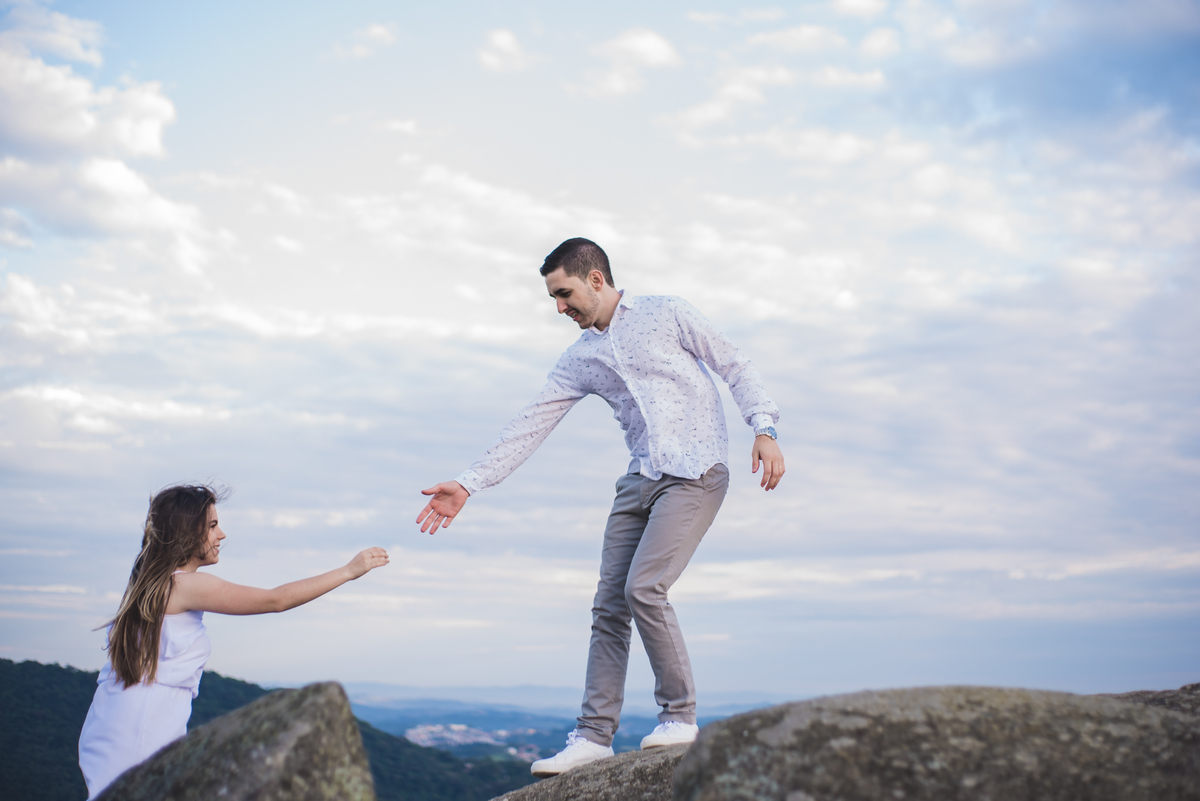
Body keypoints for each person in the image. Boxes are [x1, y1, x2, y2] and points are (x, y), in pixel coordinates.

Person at [417, 238, 784, 776]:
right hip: (638, 482)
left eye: (563, 294)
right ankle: (592, 737)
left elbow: (735, 365)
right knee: (609, 606)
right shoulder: (580, 358)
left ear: (595, 279)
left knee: (644, 588)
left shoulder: (667, 313)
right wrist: (470, 484)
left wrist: (764, 428)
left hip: (695, 475)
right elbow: (531, 423)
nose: (559, 308)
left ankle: (679, 717)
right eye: (553, 298)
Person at [78, 484, 389, 799]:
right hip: (141, 729)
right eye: (212, 525)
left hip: (118, 720)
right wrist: (348, 571)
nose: (221, 534)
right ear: (187, 531)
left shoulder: (148, 581)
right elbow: (275, 600)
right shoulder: (184, 585)